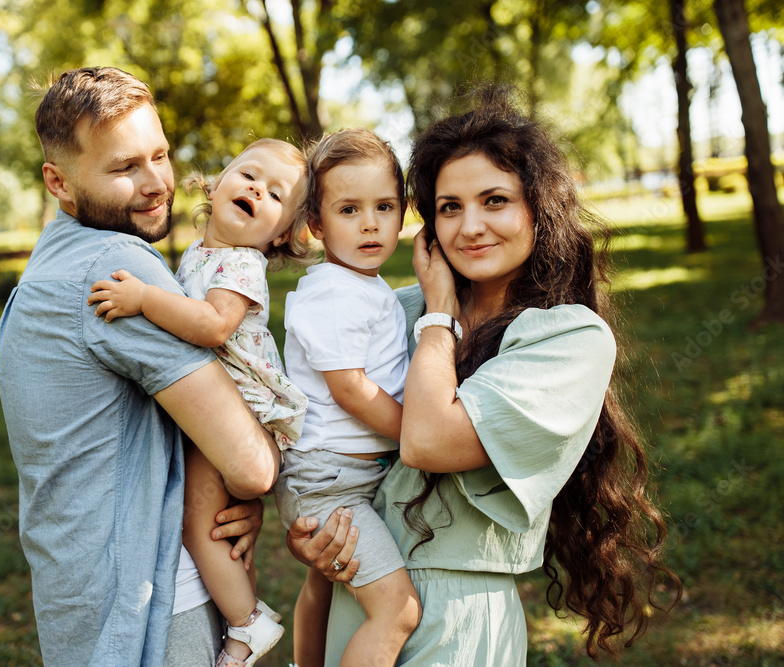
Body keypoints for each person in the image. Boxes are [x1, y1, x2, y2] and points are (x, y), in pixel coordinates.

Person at [287, 86, 680, 666]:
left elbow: (426, 440)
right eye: (449, 207)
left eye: (494, 200)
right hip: (361, 584)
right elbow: (307, 404)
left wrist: (440, 314)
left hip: (456, 620)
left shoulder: (569, 338)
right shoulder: (398, 309)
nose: (470, 227)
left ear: (537, 208)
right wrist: (307, 526)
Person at [0, 66, 280, 667]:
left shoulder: (45, 267)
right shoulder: (115, 265)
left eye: (161, 155)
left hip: (73, 599)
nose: (156, 184)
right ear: (58, 182)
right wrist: (251, 486)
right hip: (153, 604)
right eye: (125, 168)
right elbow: (251, 465)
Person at [87, 137, 311, 666]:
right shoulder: (201, 253)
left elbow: (212, 326)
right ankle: (242, 618)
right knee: (219, 524)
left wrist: (143, 299)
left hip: (242, 408)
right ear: (215, 182)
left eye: (276, 195)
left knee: (199, 522)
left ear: (281, 235)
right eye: (249, 175)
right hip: (218, 406)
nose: (257, 189)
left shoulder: (241, 264)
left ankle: (248, 623)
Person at [273, 129, 422, 667]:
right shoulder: (334, 293)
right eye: (349, 209)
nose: (370, 224)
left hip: (339, 475)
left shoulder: (364, 286)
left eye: (385, 206)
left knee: (321, 588)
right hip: (331, 482)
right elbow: (352, 390)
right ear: (316, 223)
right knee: (397, 611)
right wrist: (419, 432)